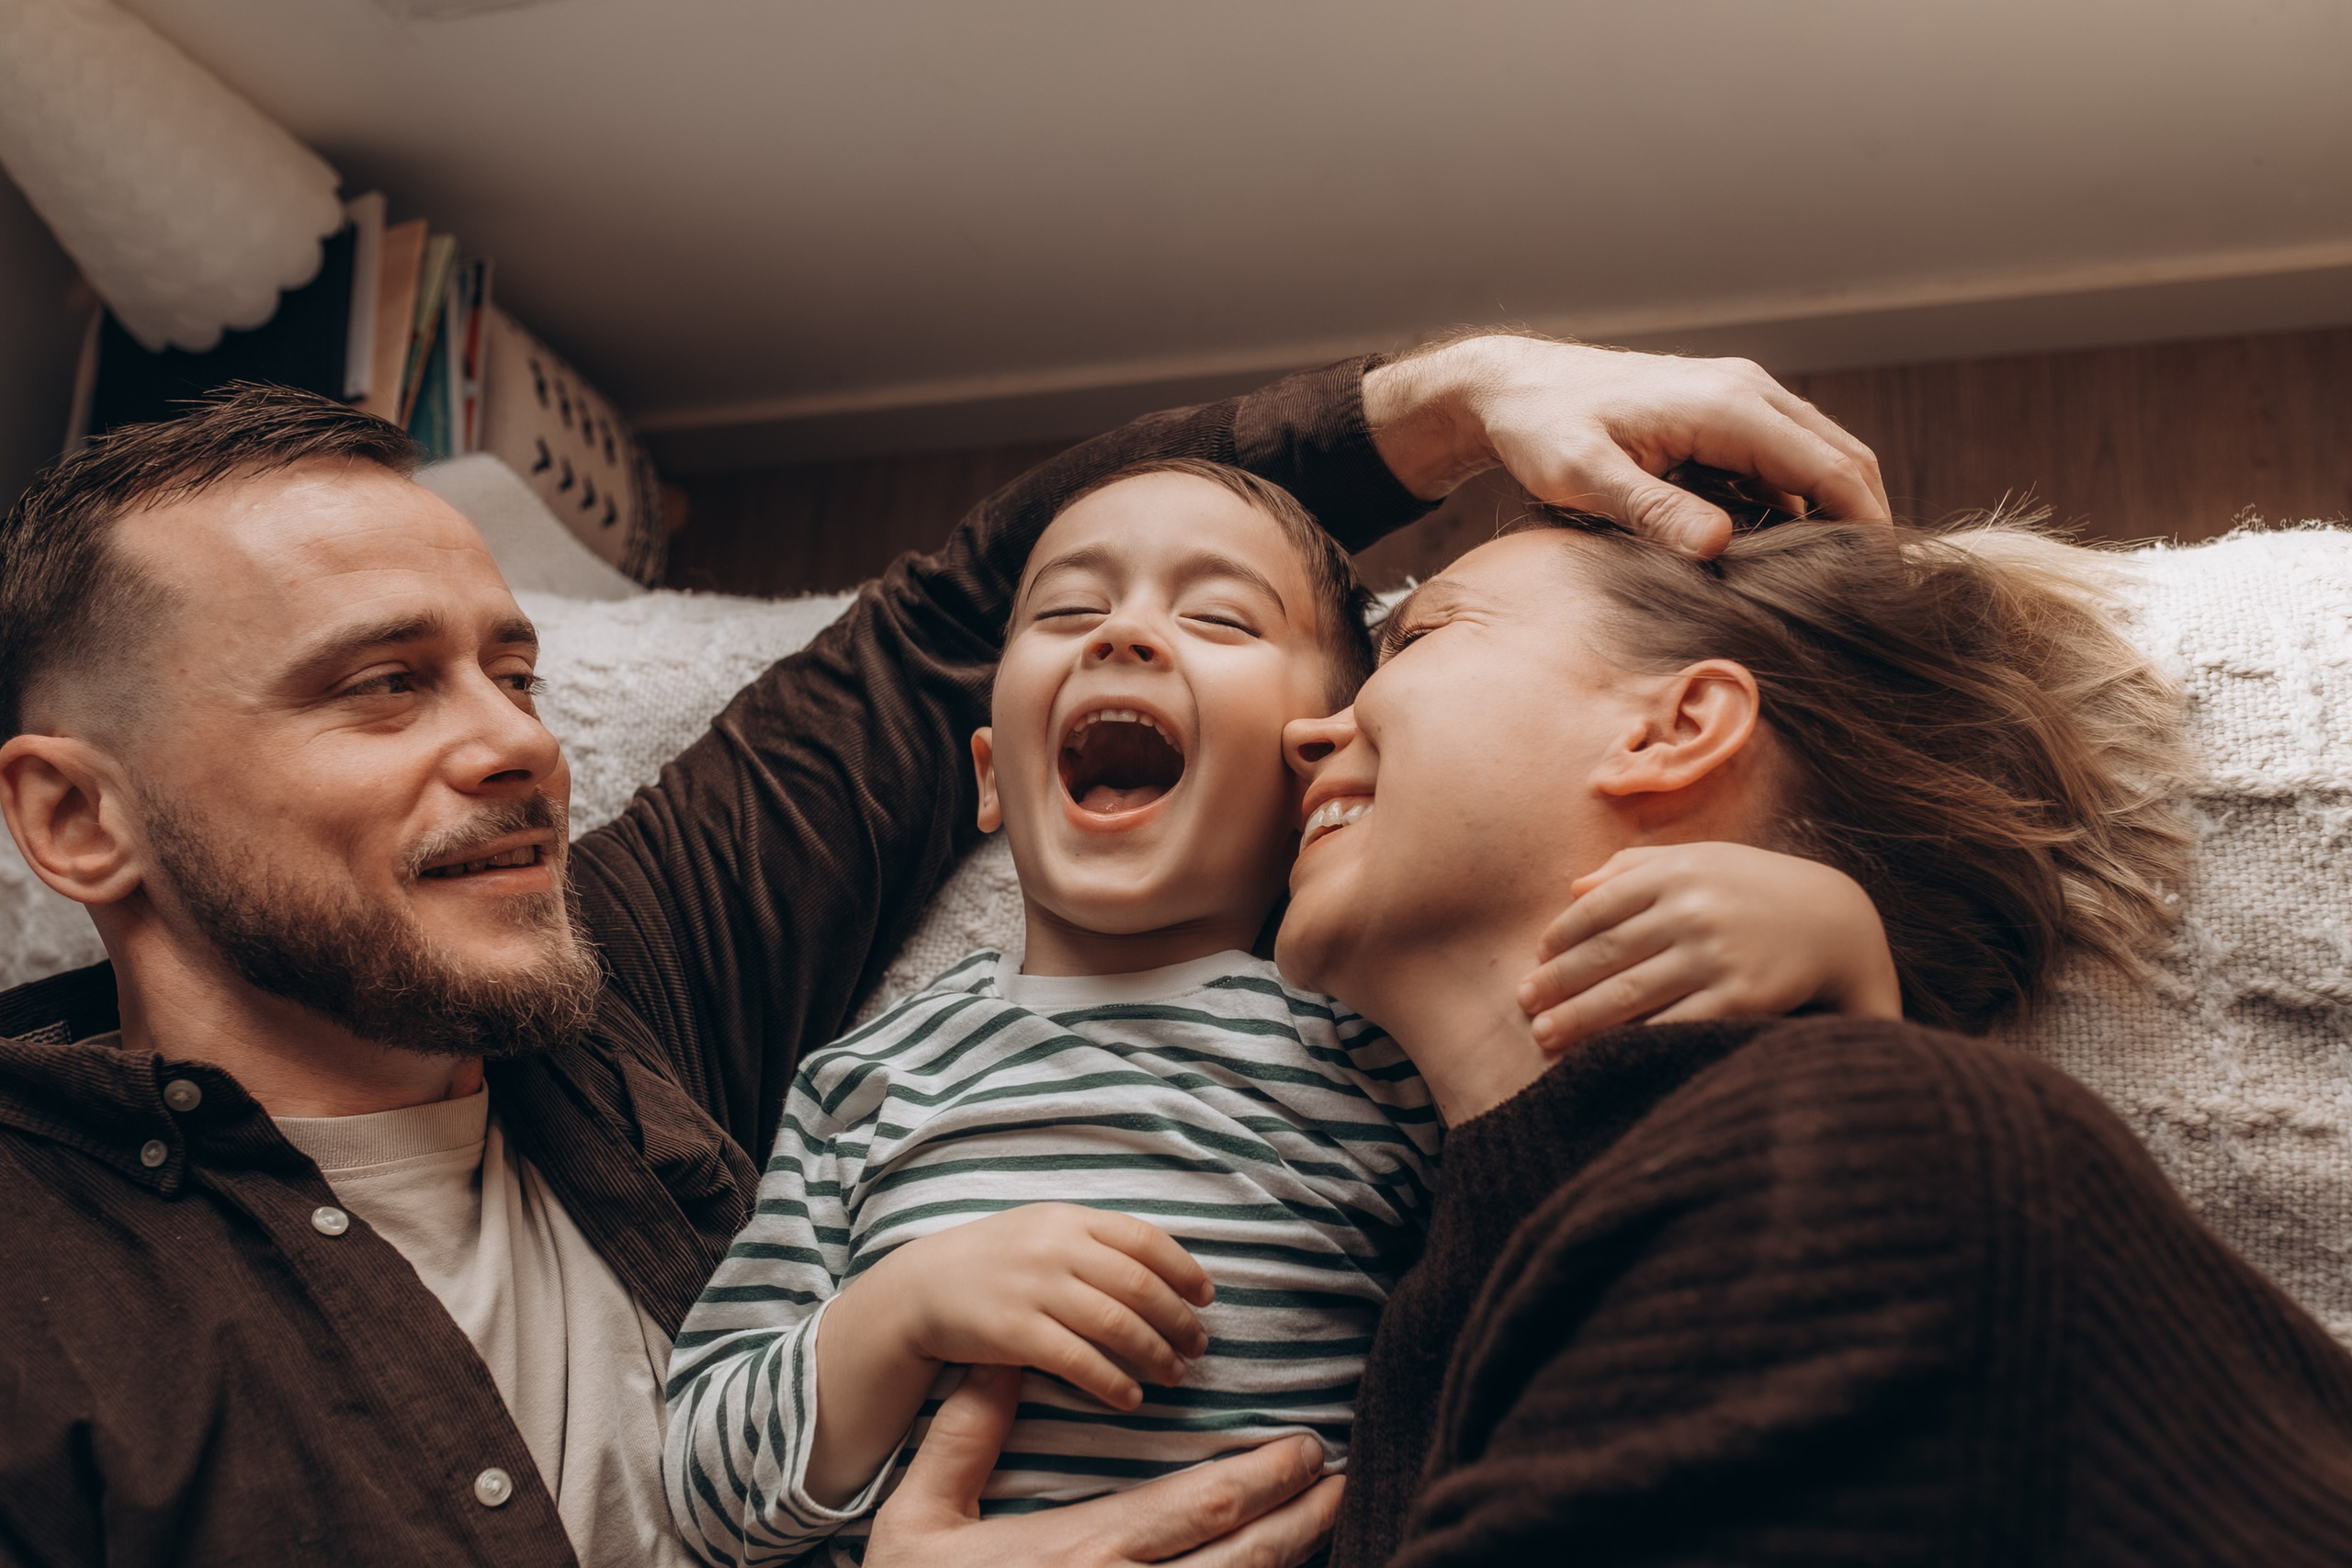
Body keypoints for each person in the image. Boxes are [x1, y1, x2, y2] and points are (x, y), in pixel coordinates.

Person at [0, 337, 1889, 1568]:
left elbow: (940, 629)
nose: (516, 743)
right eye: (381, 686)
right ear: (81, 822)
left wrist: (1454, 398)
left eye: (513, 667)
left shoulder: (600, 992)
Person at [862, 513, 2352, 1566]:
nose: (1313, 733)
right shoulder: (1447, 1303)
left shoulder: (1866, 1155)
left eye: (1424, 635)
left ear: (1675, 726)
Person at [662, 460, 1900, 1566]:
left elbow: (1651, 1259)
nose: (1126, 637)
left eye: (1216, 618)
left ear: (1312, 763)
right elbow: (700, 1494)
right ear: (991, 777)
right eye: (1068, 609)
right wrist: (896, 1315)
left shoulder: (1381, 1054)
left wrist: (1840, 957)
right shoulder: (861, 1081)